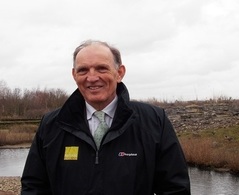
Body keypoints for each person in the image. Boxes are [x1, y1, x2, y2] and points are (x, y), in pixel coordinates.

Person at [21, 40, 191, 195]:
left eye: (101, 68)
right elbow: (34, 187)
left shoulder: (154, 121)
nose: (92, 78)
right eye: (83, 70)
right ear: (74, 75)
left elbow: (175, 188)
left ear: (119, 73)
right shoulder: (51, 125)